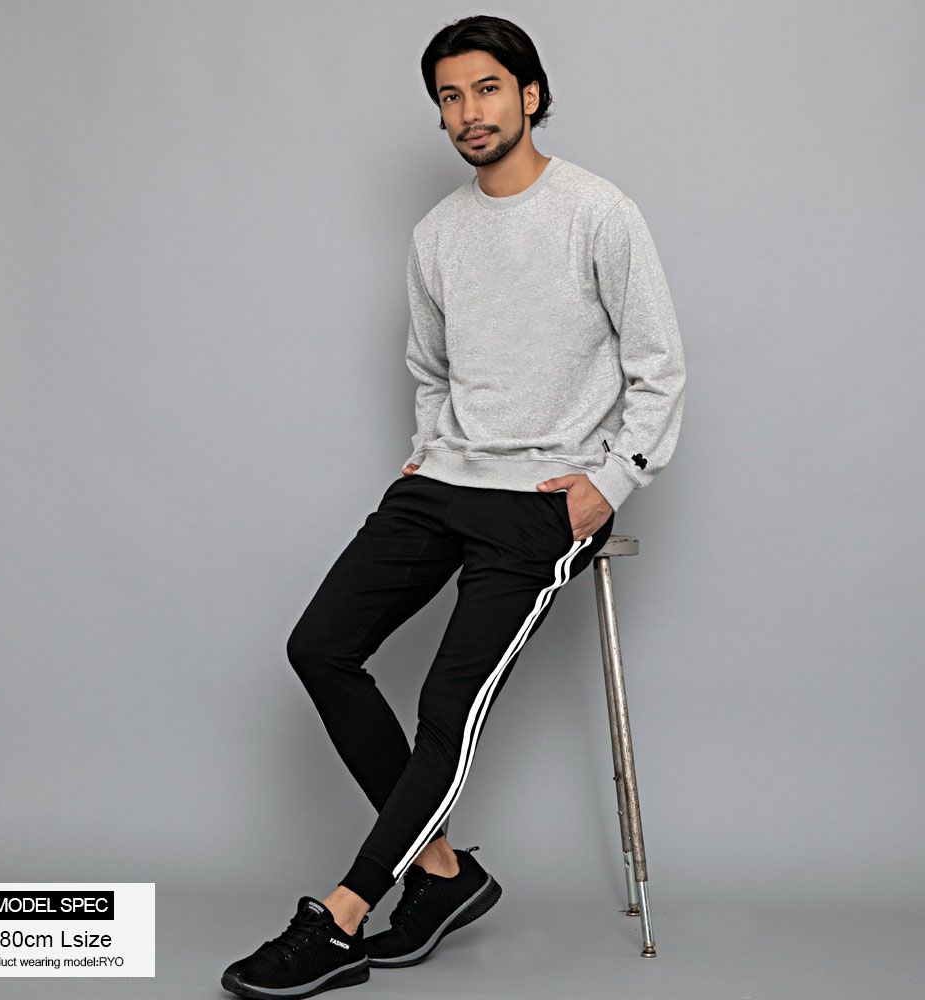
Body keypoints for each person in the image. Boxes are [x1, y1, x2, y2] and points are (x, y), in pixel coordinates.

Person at [221, 13, 686, 1000]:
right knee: (320, 648)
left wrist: (608, 483)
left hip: (543, 501)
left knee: (444, 707)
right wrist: (429, 450)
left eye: (485, 88)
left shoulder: (598, 212)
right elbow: (429, 369)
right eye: (448, 96)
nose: (468, 111)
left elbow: (659, 367)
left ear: (529, 94)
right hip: (439, 485)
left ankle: (343, 915)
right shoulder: (437, 232)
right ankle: (440, 875)